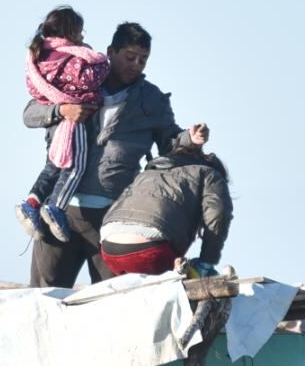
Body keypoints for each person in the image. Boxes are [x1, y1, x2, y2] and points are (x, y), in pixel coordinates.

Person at [22, 22, 206, 288]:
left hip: (114, 219)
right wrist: (62, 111)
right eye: (130, 57)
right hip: (59, 211)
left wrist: (190, 138)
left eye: (143, 60)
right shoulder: (78, 79)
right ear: (111, 52)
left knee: (114, 299)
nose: (136, 65)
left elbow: (169, 142)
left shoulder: (152, 99)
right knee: (44, 295)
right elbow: (29, 114)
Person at [15, 7, 110, 243]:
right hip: (72, 122)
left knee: (53, 166)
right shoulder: (66, 57)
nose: (83, 36)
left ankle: (32, 203)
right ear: (71, 32)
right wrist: (99, 61)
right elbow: (86, 80)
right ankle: (55, 207)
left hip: (54, 127)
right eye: (80, 31)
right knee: (74, 166)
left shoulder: (42, 56)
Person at [99, 138, 231, 276]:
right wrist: (207, 262)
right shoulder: (210, 174)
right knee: (192, 274)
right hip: (151, 253)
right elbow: (218, 215)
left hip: (108, 250)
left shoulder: (147, 174)